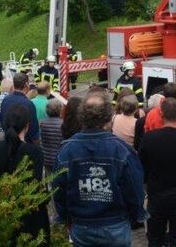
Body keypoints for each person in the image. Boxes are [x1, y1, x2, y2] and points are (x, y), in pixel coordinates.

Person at [54, 93, 146, 246]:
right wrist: (135, 216)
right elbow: (135, 191)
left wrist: (66, 218)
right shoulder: (122, 150)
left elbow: (58, 190)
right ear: (109, 117)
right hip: (115, 225)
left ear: (82, 117)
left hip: (82, 225)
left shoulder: (67, 150)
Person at [0, 103, 50, 244]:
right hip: (29, 215)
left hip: (1, 213)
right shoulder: (34, 151)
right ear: (28, 125)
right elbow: (36, 184)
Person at [139, 98, 176, 247]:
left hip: (156, 193)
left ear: (161, 114)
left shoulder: (149, 138)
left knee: (155, 238)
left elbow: (142, 163)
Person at [0, 72, 40, 144]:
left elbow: (2, 120)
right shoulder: (28, 104)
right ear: (26, 85)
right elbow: (34, 129)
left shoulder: (6, 100)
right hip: (25, 144)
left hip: (8, 142)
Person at [40, 98, 64, 180]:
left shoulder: (42, 123)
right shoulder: (62, 124)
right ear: (60, 110)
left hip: (46, 157)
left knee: (48, 178)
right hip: (58, 157)